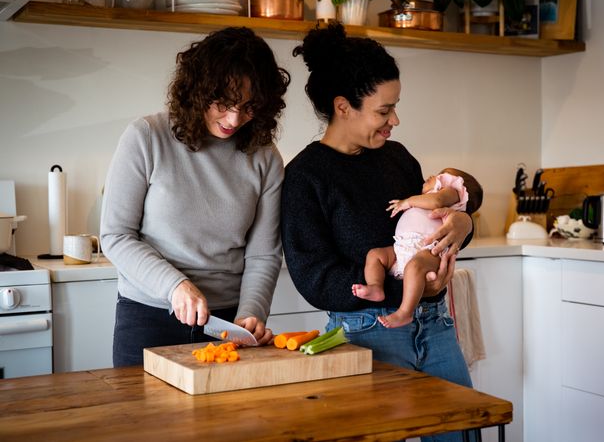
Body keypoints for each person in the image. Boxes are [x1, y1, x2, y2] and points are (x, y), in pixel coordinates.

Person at [281, 23, 482, 442]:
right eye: (383, 110)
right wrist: (404, 292)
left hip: (436, 325)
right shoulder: (306, 176)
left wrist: (464, 225)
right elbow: (314, 277)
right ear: (342, 106)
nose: (395, 119)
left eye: (395, 107)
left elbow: (428, 223)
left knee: (462, 433)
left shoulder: (397, 158)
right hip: (367, 336)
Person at [100, 27, 291, 367]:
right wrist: (175, 286)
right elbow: (116, 235)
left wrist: (250, 314)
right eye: (224, 103)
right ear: (198, 90)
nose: (234, 119)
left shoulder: (265, 157)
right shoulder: (146, 137)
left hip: (226, 323)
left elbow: (263, 254)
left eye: (249, 107)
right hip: (148, 317)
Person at [352, 168, 482, 329]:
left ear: (456, 183)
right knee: (375, 255)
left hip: (428, 249)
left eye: (441, 175)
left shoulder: (453, 192)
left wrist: (407, 201)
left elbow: (437, 201)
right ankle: (376, 287)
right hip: (402, 247)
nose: (432, 176)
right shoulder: (426, 197)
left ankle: (405, 312)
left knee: (415, 267)